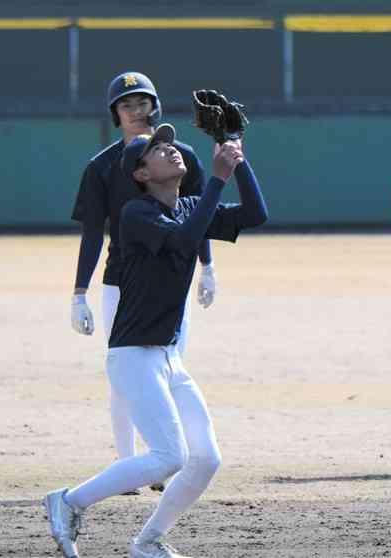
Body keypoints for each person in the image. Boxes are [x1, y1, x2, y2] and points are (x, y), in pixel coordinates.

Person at [45, 123, 268, 558]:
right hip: (133, 356)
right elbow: (184, 243)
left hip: (167, 358)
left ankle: (149, 541)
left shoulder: (188, 205)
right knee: (169, 456)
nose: (169, 150)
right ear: (141, 175)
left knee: (205, 458)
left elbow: (255, 215)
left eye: (170, 144)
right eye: (156, 150)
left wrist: (236, 155)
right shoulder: (136, 214)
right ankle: (69, 501)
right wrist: (218, 178)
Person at [70, 72, 217, 488]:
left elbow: (199, 215)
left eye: (142, 102)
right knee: (126, 378)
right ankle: (128, 464)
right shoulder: (101, 167)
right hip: (123, 281)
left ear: (155, 106)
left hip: (172, 279)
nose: (137, 111)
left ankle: (162, 460)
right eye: (127, 105)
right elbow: (93, 230)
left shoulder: (181, 156)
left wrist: (208, 267)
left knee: (169, 370)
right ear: (115, 114)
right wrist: (79, 292)